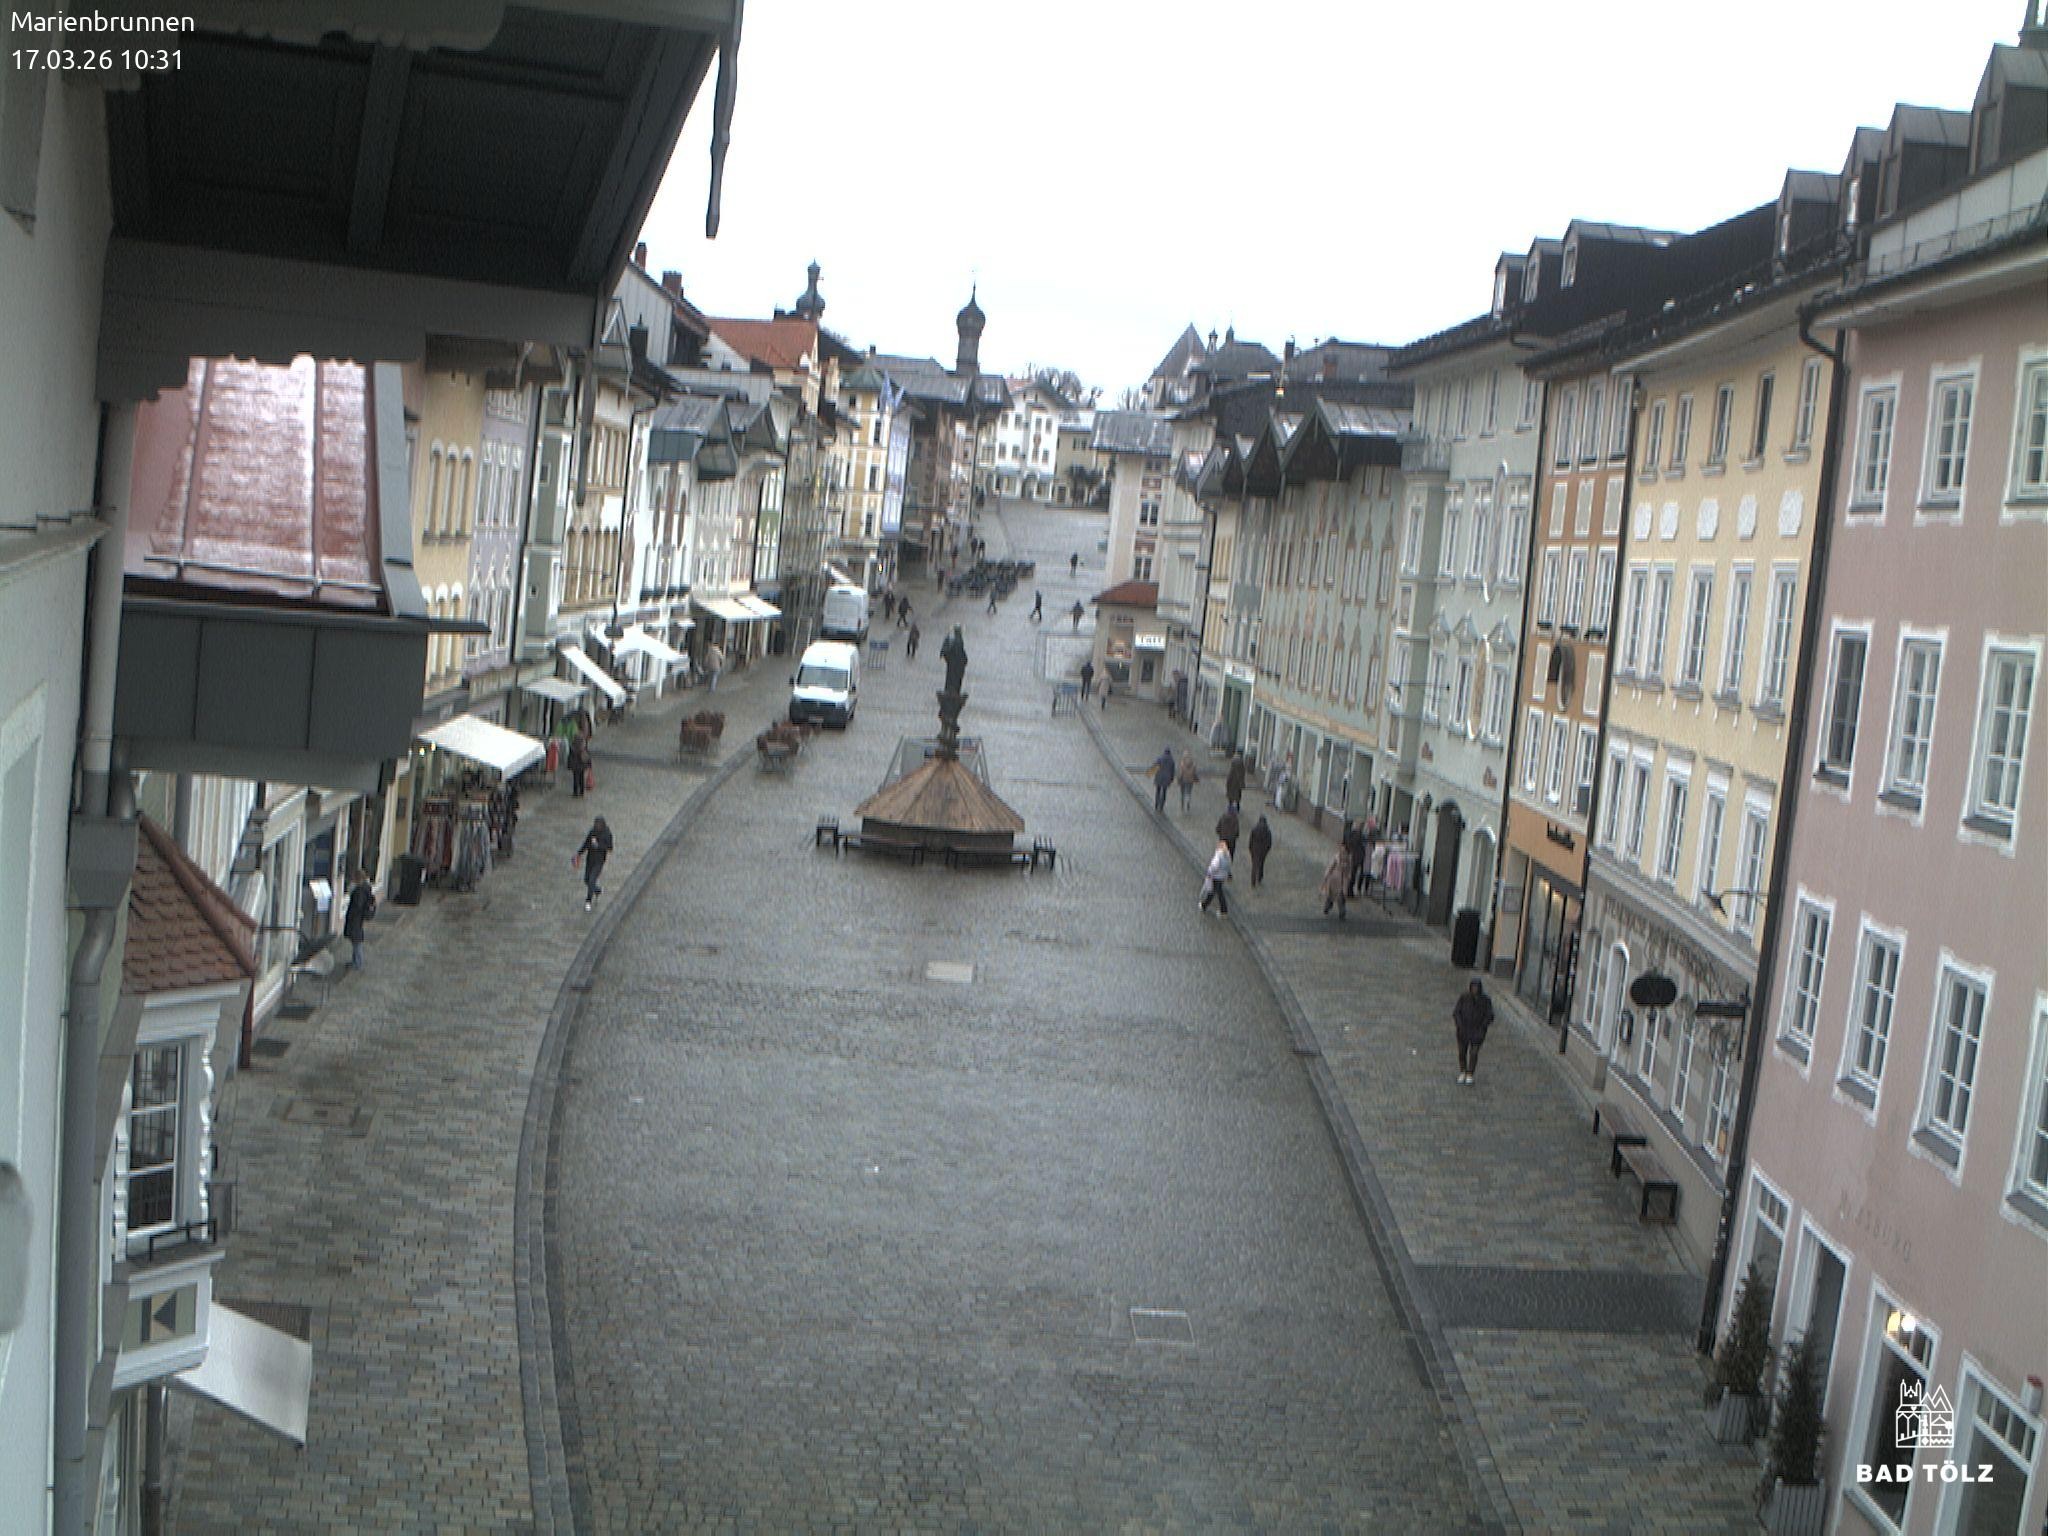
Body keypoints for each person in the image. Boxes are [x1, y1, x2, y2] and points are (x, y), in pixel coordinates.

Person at [1454, 978, 1494, 1085]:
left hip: (1477, 1031)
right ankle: (1463, 1071)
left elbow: (1489, 1015)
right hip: (1464, 1030)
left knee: (1474, 1053)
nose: (1475, 989)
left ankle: (1470, 1073)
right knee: (1462, 1052)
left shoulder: (1485, 1000)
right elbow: (1457, 1012)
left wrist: (1483, 1027)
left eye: (1476, 987)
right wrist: (1459, 1025)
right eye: (1473, 987)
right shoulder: (1464, 998)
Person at [575, 816, 614, 912]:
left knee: (592, 880)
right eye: (596, 824)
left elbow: (610, 848)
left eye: (599, 825)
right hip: (590, 859)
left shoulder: (607, 834)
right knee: (587, 880)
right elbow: (586, 843)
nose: (597, 826)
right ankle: (597, 890)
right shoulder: (592, 832)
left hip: (599, 861)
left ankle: (588, 901)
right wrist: (579, 853)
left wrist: (598, 846)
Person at [342, 867, 376, 969]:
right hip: (358, 918)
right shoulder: (366, 888)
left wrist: (351, 915)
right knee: (356, 939)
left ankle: (357, 962)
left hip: (355, 918)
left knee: (356, 940)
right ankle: (356, 961)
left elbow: (357, 905)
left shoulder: (360, 891)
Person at [1199, 838, 1232, 915]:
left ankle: (1223, 910)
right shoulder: (1227, 854)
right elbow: (1229, 865)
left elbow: (1214, 866)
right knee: (1214, 891)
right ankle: (1204, 905)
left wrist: (1210, 872)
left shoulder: (1219, 855)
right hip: (1222, 876)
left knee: (1217, 892)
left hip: (1216, 876)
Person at [1320, 841, 1352, 920]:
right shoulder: (1336, 857)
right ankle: (1327, 907)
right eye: (1342, 849)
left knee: (1341, 896)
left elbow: (1349, 870)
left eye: (1344, 850)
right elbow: (1331, 866)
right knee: (1330, 895)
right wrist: (1327, 875)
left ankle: (1342, 912)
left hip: (1343, 880)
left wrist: (1348, 877)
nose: (1343, 851)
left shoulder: (1348, 859)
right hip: (1334, 879)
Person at [1247, 814, 1273, 887]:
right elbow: (1269, 842)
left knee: (1254, 865)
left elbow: (1251, 840)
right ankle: (1260, 877)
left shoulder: (1254, 829)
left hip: (1255, 849)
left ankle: (1253, 881)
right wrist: (1267, 850)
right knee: (1261, 864)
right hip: (1263, 850)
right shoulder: (1267, 831)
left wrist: (1250, 848)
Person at [1151, 747, 1176, 814]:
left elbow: (1155, 766)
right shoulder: (1172, 761)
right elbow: (1172, 771)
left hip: (1159, 777)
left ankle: (1156, 805)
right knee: (1164, 792)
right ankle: (1161, 807)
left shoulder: (1160, 758)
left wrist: (1150, 773)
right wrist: (1171, 779)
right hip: (1166, 779)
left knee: (1158, 791)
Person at [566, 731, 591, 798]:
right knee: (581, 778)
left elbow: (570, 757)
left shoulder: (572, 748)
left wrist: (569, 765)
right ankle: (581, 792)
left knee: (575, 779)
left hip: (575, 766)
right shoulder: (584, 748)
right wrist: (589, 765)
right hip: (582, 765)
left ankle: (575, 792)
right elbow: (587, 756)